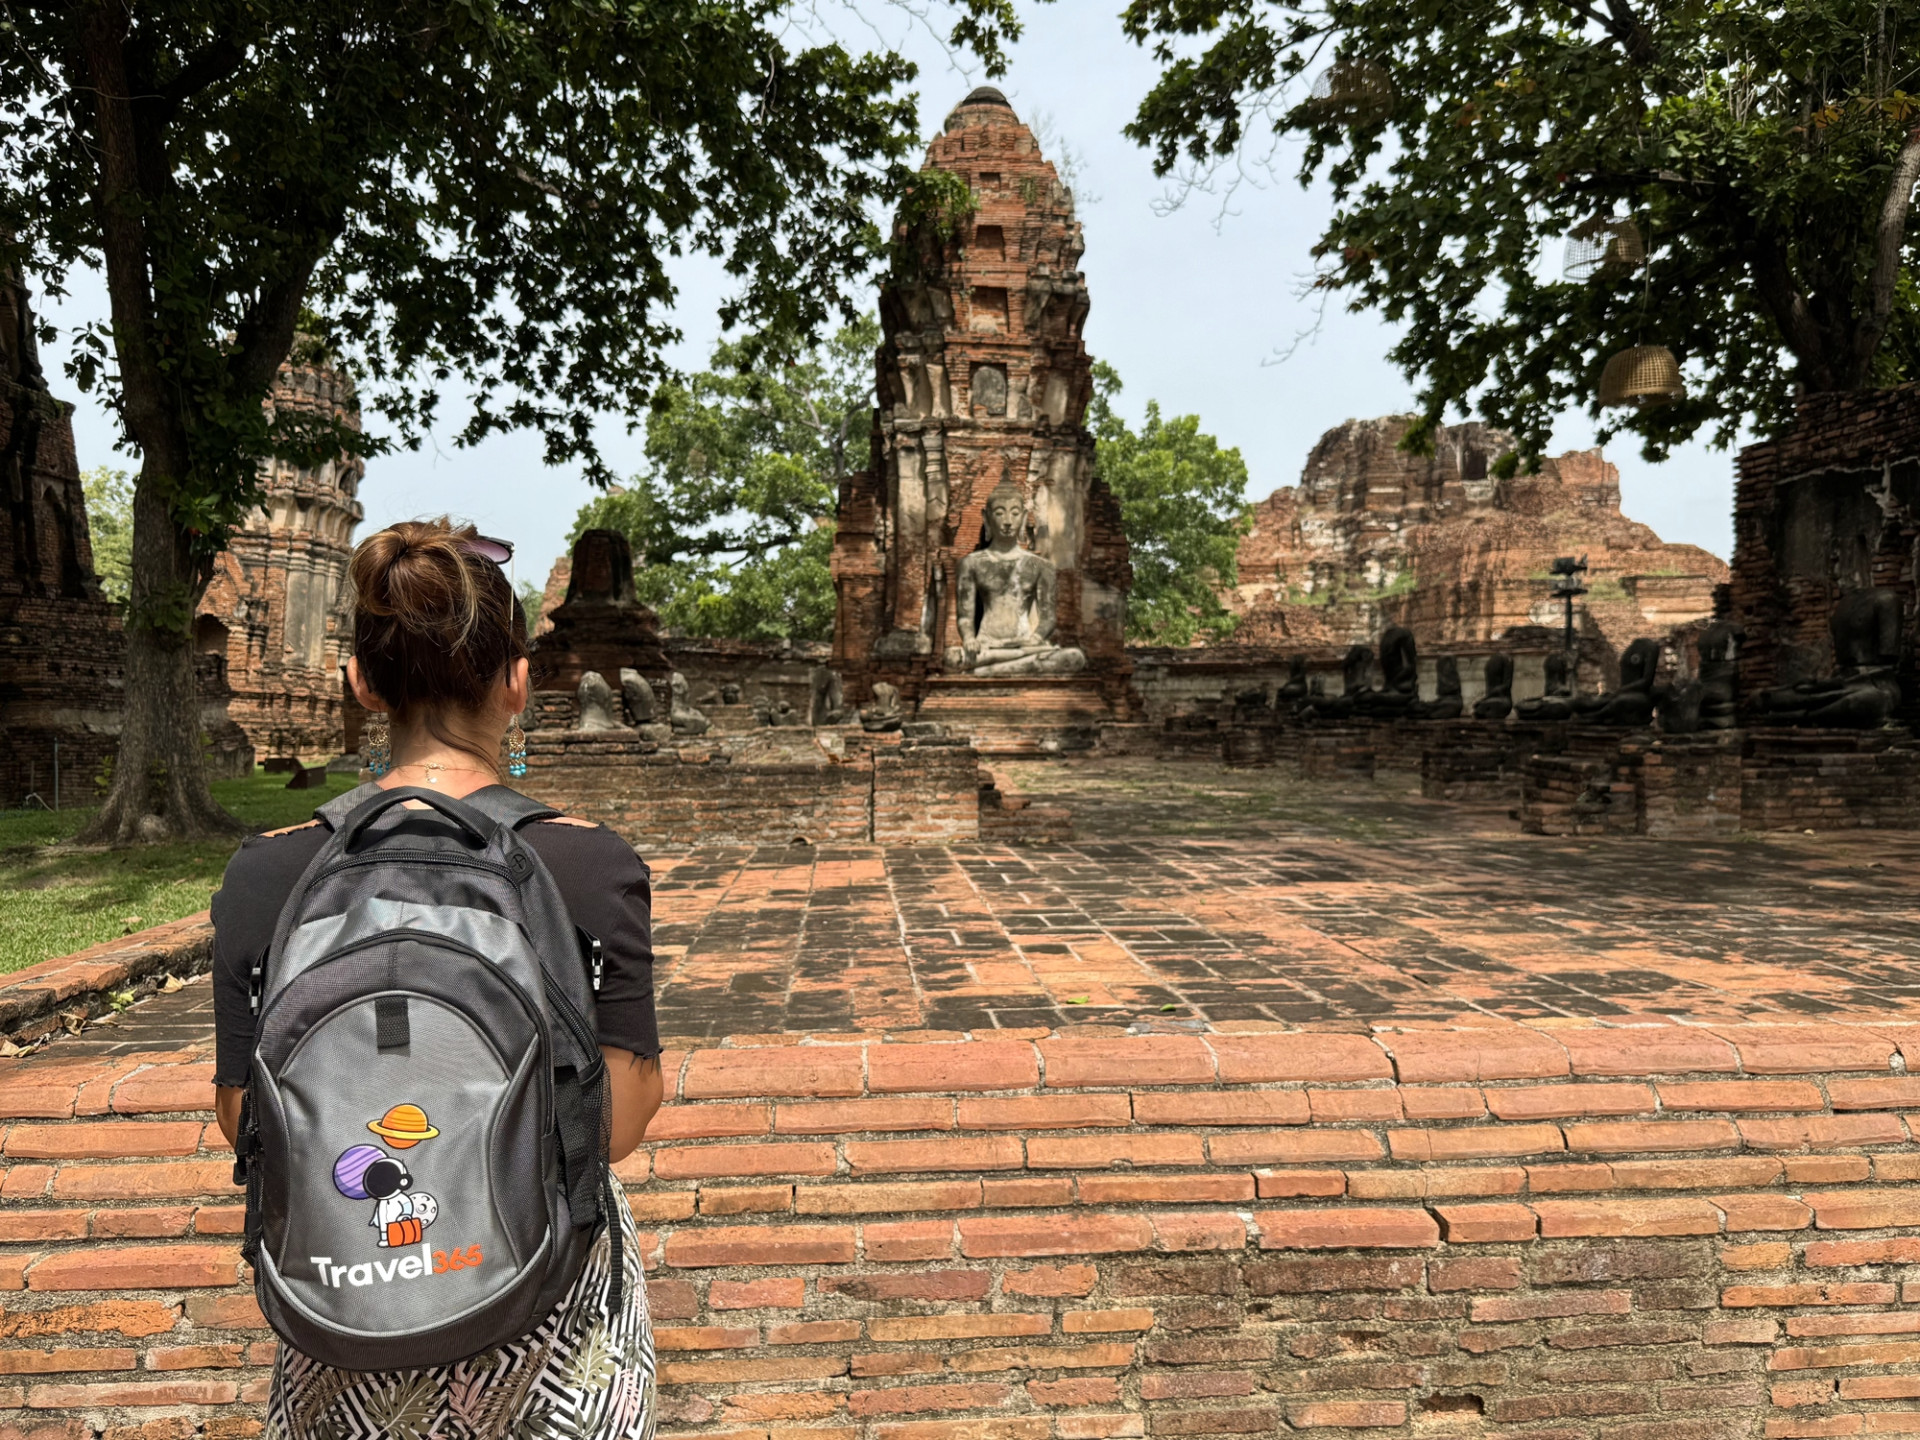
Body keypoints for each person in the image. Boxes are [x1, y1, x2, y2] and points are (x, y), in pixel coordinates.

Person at [210, 517, 663, 1440]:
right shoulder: (589, 864)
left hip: (346, 1307)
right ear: (519, 681)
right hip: (544, 1314)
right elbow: (614, 1127)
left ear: (361, 683)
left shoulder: (265, 872)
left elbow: (243, 1117)